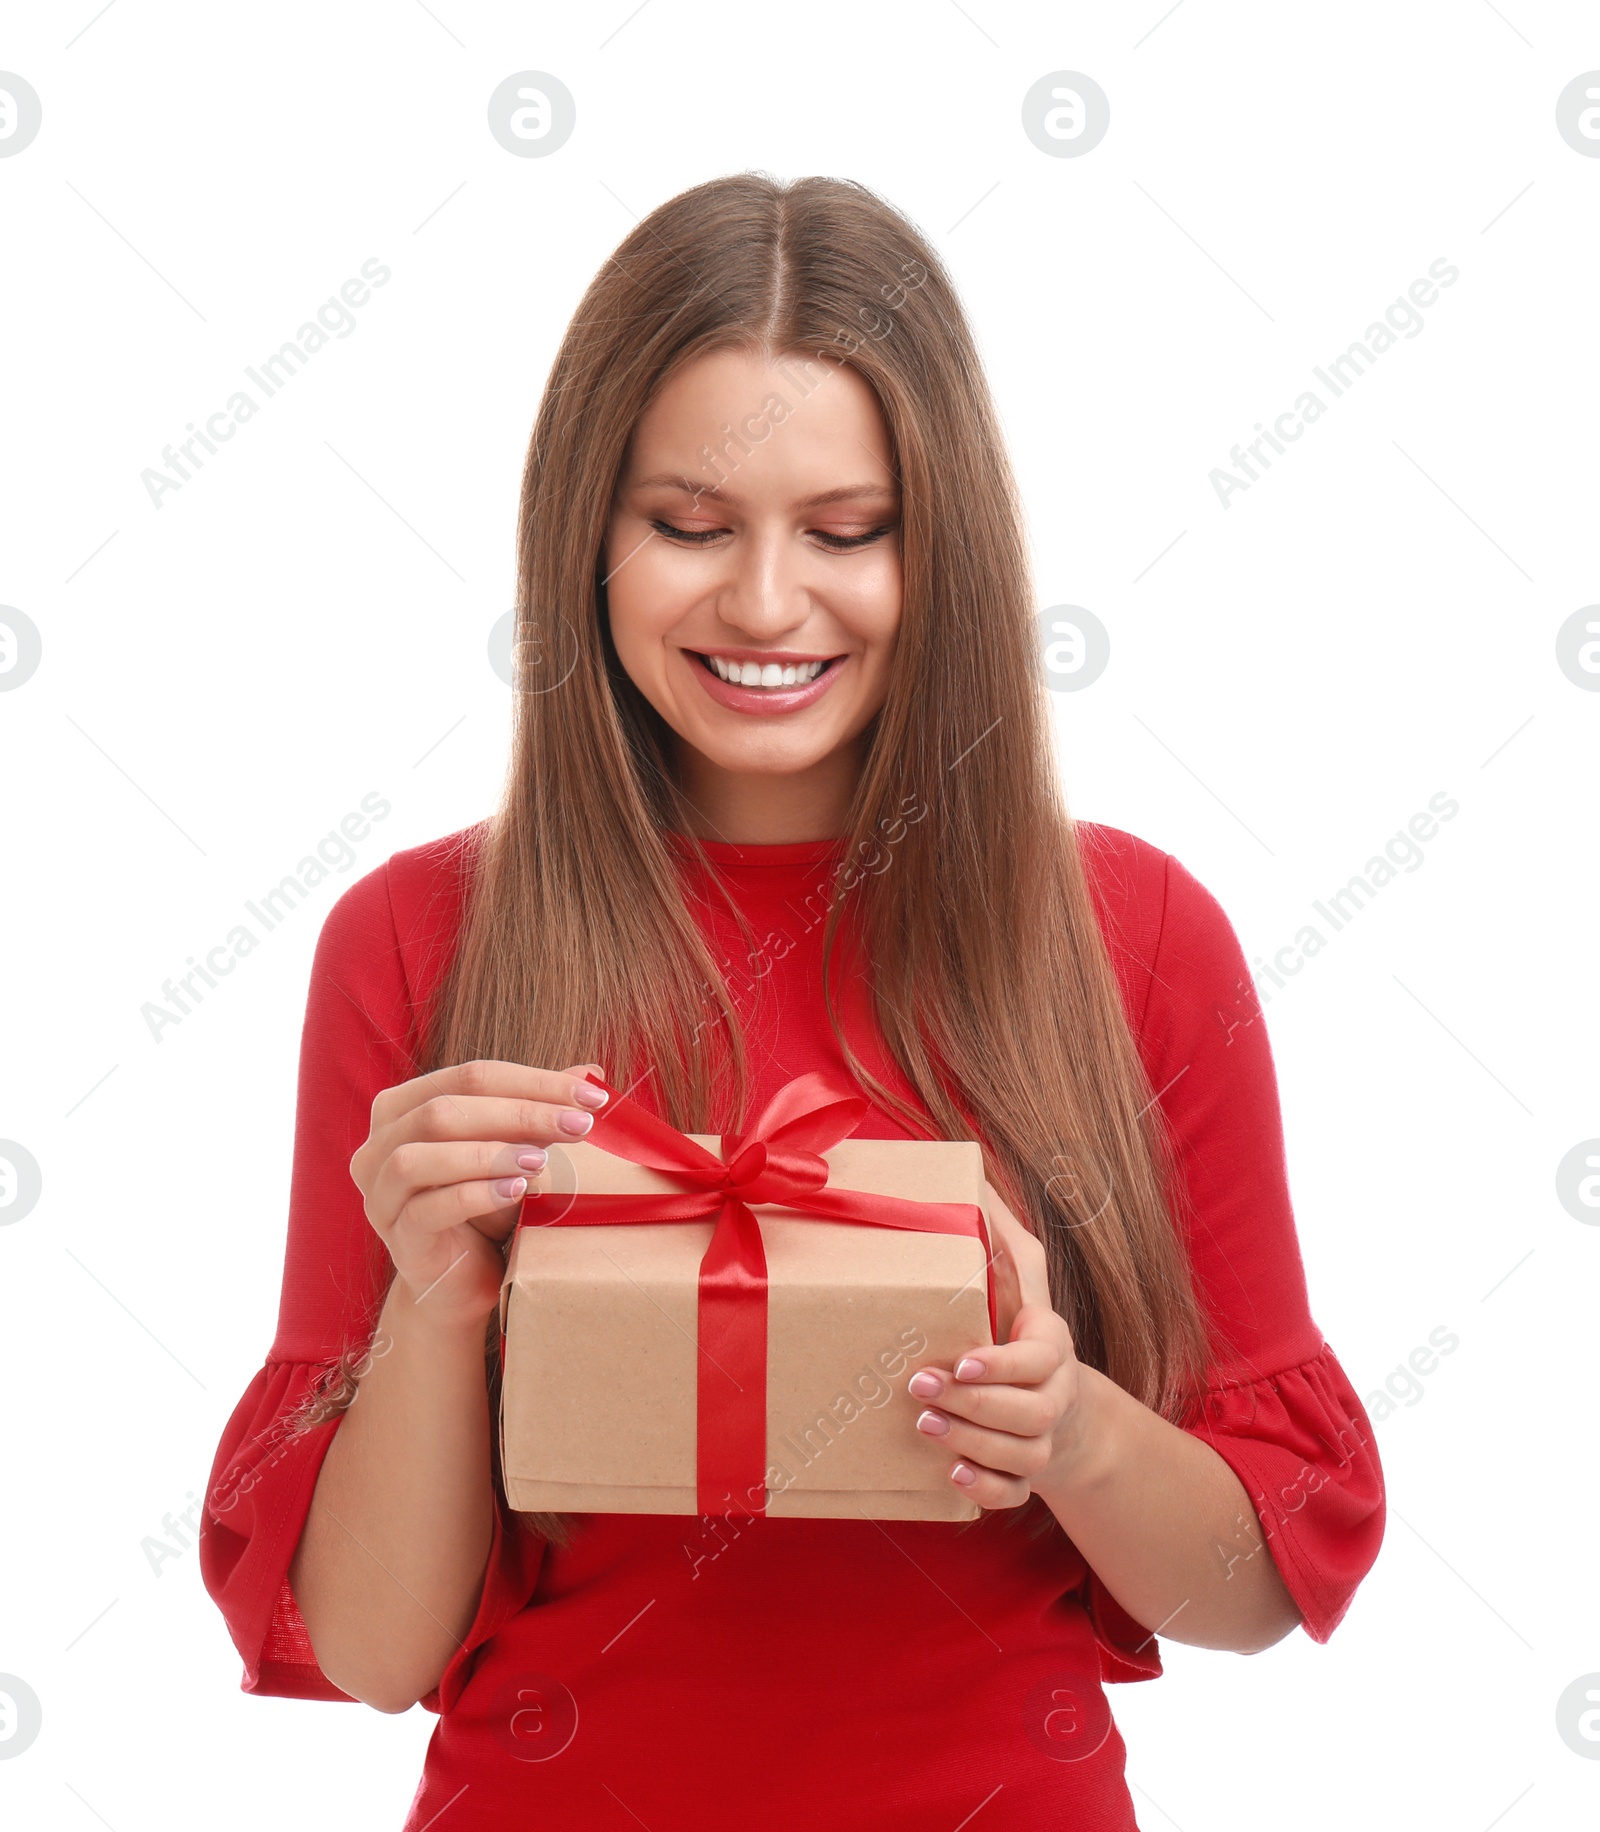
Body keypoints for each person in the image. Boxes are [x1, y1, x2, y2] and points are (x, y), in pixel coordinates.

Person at [200, 173, 1385, 1829]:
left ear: (943, 546)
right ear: (583, 537)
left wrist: (1074, 1433)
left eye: (846, 531)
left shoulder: (1136, 939)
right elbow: (376, 1651)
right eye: (688, 525)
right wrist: (440, 1295)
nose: (765, 604)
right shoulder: (415, 943)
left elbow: (1257, 1594)